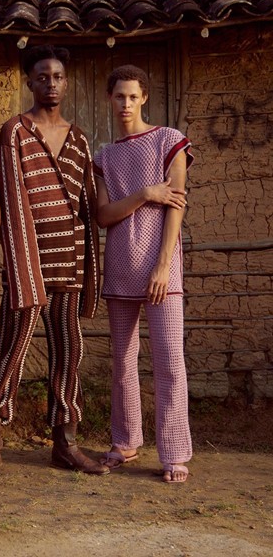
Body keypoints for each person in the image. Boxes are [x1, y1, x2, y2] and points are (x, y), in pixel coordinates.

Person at [0, 45, 109, 480]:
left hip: (69, 263)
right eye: (43, 76)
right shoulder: (15, 131)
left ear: (66, 83)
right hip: (28, 265)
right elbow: (12, 201)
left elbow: (88, 208)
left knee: (69, 350)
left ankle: (64, 443)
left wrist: (89, 269)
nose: (51, 84)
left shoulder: (80, 138)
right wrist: (24, 270)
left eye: (58, 77)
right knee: (11, 351)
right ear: (29, 82)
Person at [93, 64, 193, 483]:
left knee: (170, 362)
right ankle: (126, 442)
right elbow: (103, 215)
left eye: (133, 96)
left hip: (159, 271)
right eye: (119, 96)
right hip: (120, 268)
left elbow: (176, 204)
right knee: (123, 361)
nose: (126, 104)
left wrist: (164, 266)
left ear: (144, 98)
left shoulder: (169, 141)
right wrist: (144, 193)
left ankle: (173, 454)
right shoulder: (104, 158)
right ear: (110, 99)